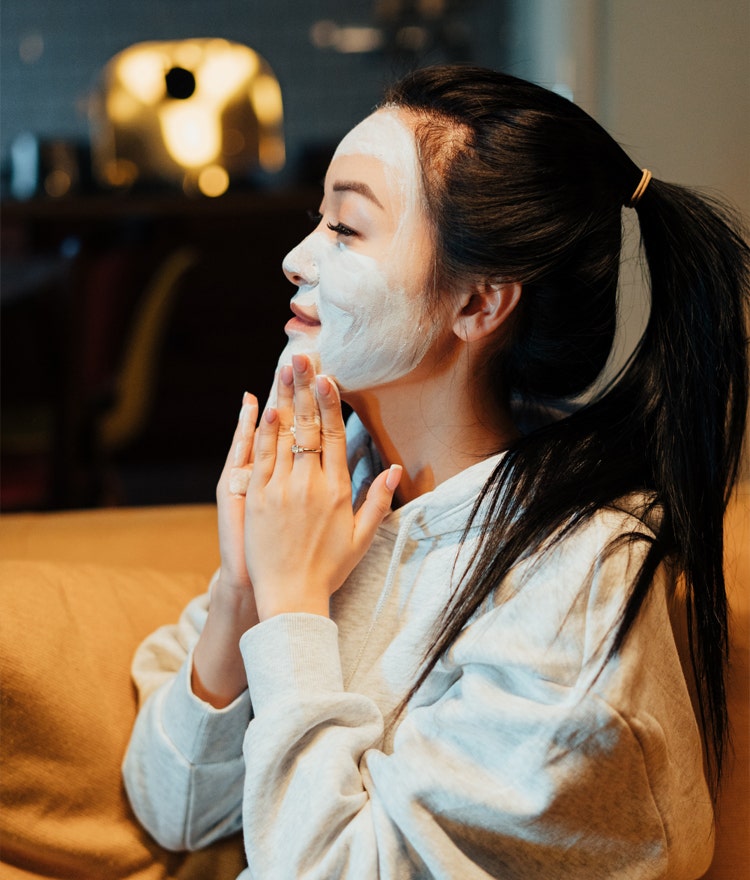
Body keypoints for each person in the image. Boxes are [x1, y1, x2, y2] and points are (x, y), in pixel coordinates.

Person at [123, 65, 749, 878]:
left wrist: (291, 610)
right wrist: (245, 594)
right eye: (319, 219)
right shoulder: (333, 483)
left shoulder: (575, 599)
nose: (294, 258)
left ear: (479, 306)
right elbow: (170, 808)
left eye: (346, 228)